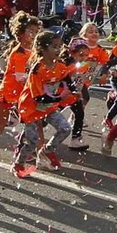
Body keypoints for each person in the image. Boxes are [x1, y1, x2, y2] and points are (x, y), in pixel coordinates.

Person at [15, 31, 81, 177]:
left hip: (48, 106)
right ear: (43, 49)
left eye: (59, 46)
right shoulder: (37, 70)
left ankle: (47, 151)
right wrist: (60, 98)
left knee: (65, 128)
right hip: (31, 107)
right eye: (54, 47)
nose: (58, 50)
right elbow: (38, 98)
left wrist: (74, 90)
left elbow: (67, 79)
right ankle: (19, 164)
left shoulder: (60, 66)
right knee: (31, 141)